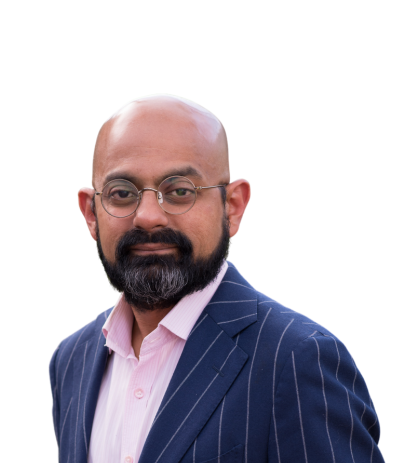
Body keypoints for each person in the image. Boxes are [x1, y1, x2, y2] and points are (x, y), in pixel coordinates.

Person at [49, 95, 384, 463]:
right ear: (91, 213)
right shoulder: (73, 360)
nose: (147, 216)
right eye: (122, 193)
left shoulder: (297, 359)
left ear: (232, 207)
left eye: (180, 191)